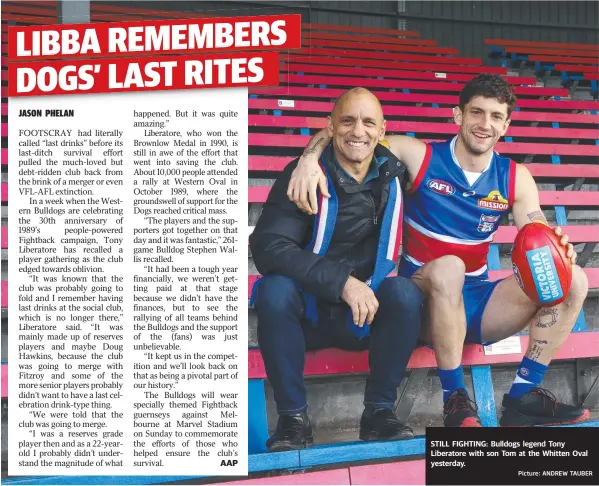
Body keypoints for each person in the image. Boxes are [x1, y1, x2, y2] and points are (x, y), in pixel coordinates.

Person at [287, 74, 589, 428]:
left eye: (495, 116)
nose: (484, 124)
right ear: (458, 115)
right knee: (449, 267)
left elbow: (536, 232)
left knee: (573, 278)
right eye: (476, 112)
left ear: (506, 125)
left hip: (480, 301)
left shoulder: (515, 177)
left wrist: (556, 246)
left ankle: (524, 393)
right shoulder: (419, 155)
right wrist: (308, 159)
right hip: (424, 299)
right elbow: (351, 134)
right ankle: (454, 400)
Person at [249, 87, 424, 451]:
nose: (357, 131)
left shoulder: (394, 175)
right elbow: (268, 248)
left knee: (405, 294)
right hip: (307, 316)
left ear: (382, 130)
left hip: (360, 317)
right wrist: (342, 282)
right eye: (347, 121)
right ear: (330, 127)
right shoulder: (302, 176)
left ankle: (378, 414)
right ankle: (293, 419)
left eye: (368, 122)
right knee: (273, 289)